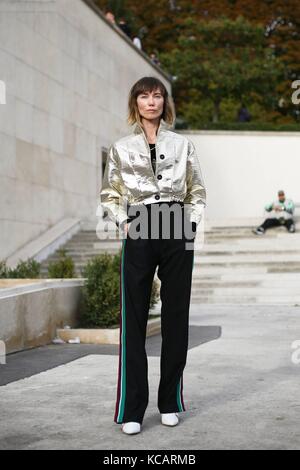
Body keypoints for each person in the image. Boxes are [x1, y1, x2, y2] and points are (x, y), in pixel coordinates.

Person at [99, 76, 206, 435]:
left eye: (157, 95)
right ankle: (132, 409)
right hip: (140, 223)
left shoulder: (182, 144)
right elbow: (110, 193)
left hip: (176, 224)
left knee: (177, 315)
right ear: (135, 103)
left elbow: (197, 190)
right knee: (134, 318)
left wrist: (189, 223)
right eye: (144, 96)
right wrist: (124, 222)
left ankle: (170, 401)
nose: (151, 101)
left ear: (164, 102)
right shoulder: (121, 148)